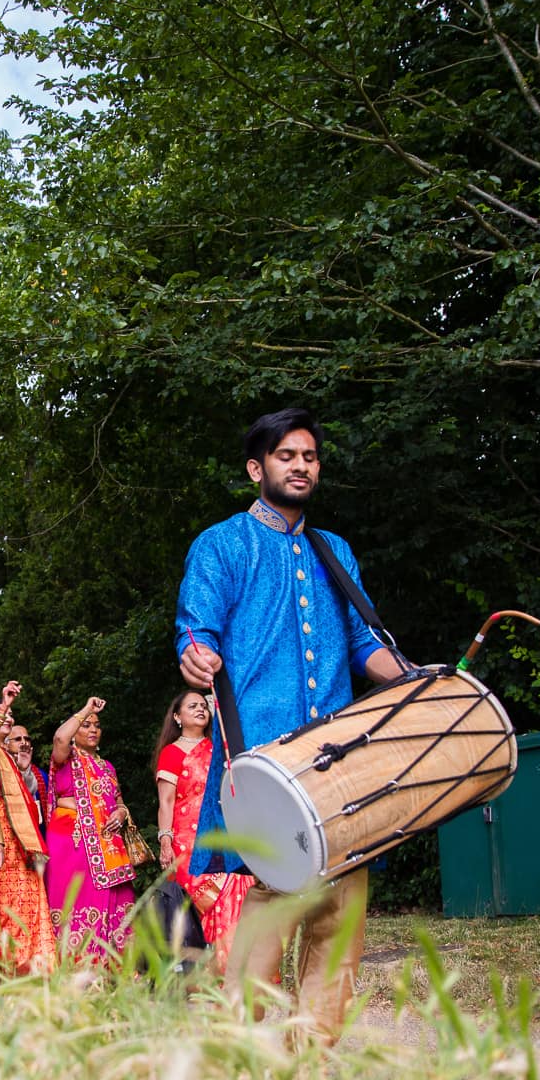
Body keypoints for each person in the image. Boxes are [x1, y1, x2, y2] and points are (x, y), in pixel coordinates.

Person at [175, 408, 405, 1040]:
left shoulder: (335, 551)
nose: (301, 465)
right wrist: (195, 654)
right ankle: (239, 1048)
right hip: (264, 752)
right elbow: (196, 628)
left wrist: (414, 677)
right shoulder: (222, 543)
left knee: (343, 895)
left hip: (336, 750)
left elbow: (365, 642)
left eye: (309, 456)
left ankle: (316, 1054)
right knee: (276, 892)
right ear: (258, 469)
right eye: (286, 456)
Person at [154, 690, 252, 974]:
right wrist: (165, 842)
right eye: (191, 706)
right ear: (177, 716)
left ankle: (237, 971)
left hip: (225, 837)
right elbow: (166, 802)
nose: (199, 709)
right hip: (188, 844)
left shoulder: (218, 749)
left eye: (202, 705)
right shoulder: (171, 753)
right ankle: (202, 973)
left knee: (236, 896)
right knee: (202, 906)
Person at [0, 686, 56, 974]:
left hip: (20, 833)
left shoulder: (10, 755)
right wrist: (4, 705)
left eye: (9, 713)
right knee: (1, 899)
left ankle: (30, 962)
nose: (7, 716)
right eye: (0, 713)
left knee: (28, 893)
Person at [44, 696, 138, 964]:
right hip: (72, 841)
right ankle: (78, 968)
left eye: (96, 725)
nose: (93, 729)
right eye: (86, 725)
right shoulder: (67, 758)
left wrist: (121, 812)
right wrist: (86, 708)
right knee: (76, 899)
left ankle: (113, 968)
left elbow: (118, 800)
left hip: (107, 846)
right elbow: (60, 739)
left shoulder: (107, 767)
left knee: (117, 899)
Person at [4, 724, 47, 833]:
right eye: (18, 739)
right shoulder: (1, 768)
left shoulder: (41, 775)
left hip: (36, 831)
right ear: (6, 745)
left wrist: (24, 770)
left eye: (27, 739)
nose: (24, 742)